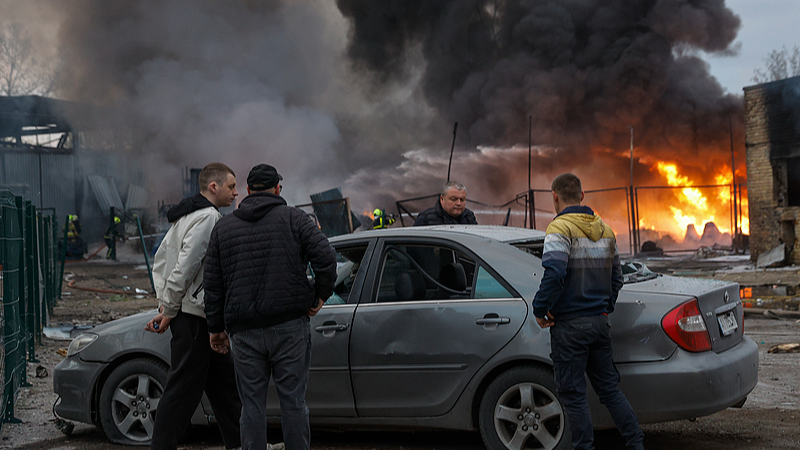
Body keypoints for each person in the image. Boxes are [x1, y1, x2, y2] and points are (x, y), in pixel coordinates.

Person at [204, 164, 336, 450]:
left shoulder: (223, 228)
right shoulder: (295, 219)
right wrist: (319, 296)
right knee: (293, 402)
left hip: (244, 332)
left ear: (248, 190)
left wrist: (215, 328)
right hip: (290, 327)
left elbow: (213, 283)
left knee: (251, 405)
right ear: (278, 189)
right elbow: (326, 258)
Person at [532, 173, 644, 450]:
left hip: (569, 326)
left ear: (554, 196)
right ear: (582, 195)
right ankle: (636, 443)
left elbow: (555, 272)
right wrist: (604, 309)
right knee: (609, 390)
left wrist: (540, 308)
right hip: (599, 323)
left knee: (573, 395)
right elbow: (617, 279)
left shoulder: (559, 228)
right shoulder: (606, 230)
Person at [144, 162, 242, 450]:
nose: (236, 193)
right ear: (214, 186)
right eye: (231, 186)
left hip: (199, 316)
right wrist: (169, 309)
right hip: (195, 318)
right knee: (181, 391)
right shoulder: (208, 218)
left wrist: (167, 305)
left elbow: (161, 261)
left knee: (225, 389)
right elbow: (185, 268)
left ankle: (242, 444)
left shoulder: (187, 216)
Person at [413, 181, 478, 225]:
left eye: (462, 200)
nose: (459, 203)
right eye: (454, 199)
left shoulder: (469, 217)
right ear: (442, 199)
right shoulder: (426, 219)